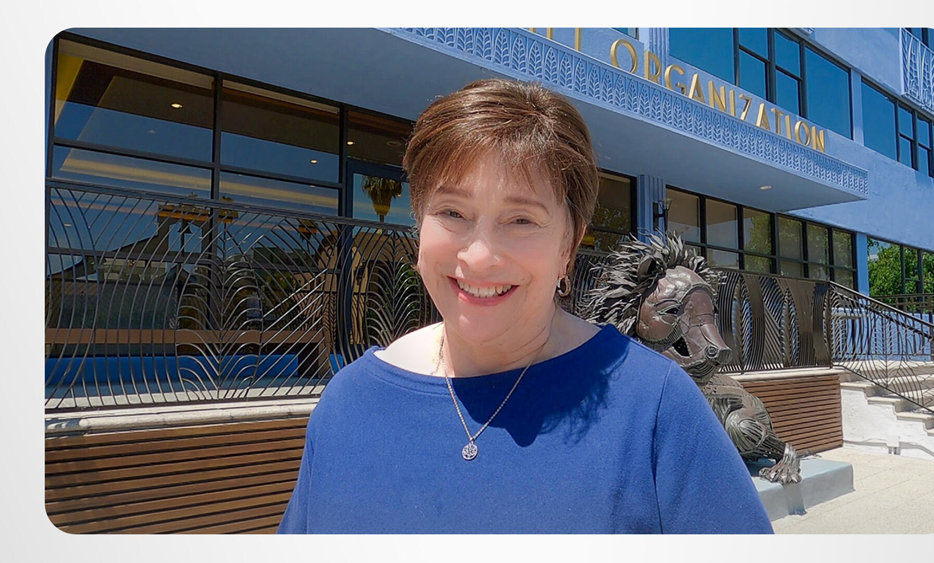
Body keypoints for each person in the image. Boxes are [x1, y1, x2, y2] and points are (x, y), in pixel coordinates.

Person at [277, 78, 773, 534]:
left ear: (568, 245)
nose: (479, 256)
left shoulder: (656, 409)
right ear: (420, 224)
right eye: (453, 212)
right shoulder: (349, 403)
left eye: (520, 220)